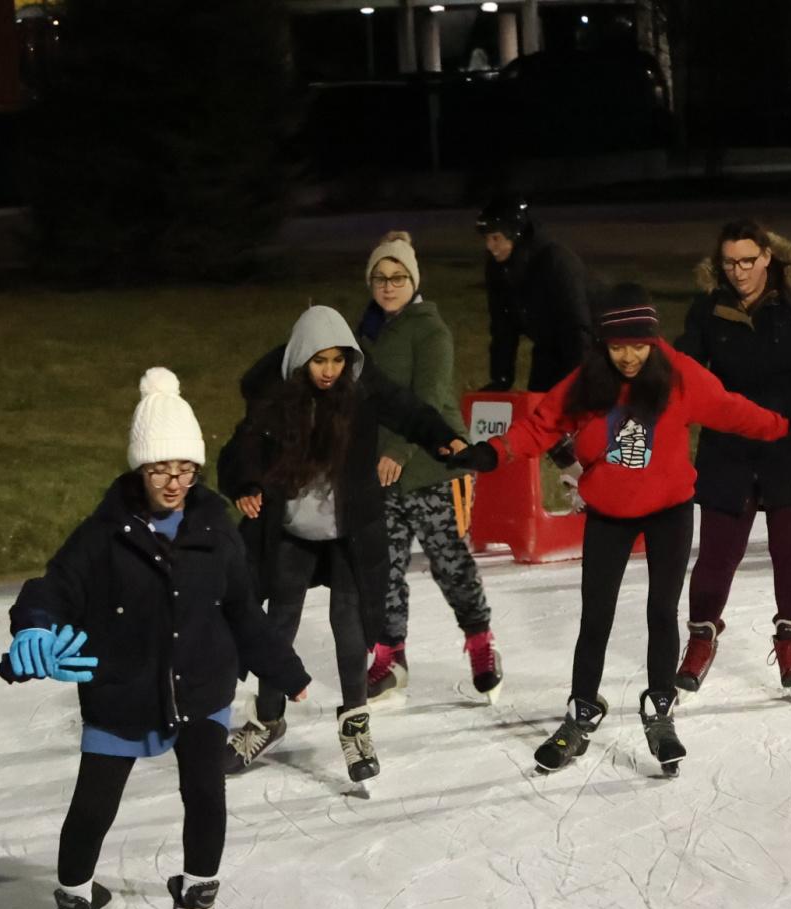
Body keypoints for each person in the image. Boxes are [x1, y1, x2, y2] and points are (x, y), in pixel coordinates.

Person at [3, 368, 311, 909]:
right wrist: (33, 627)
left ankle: (196, 905)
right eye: (159, 469)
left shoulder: (217, 531)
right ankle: (74, 907)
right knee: (91, 810)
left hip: (201, 686)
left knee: (206, 797)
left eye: (185, 469)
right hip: (122, 688)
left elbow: (243, 612)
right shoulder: (103, 535)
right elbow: (51, 588)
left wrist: (285, 669)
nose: (173, 482)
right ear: (139, 470)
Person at [448, 284, 791, 775]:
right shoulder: (588, 381)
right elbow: (541, 426)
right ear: (603, 345)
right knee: (596, 617)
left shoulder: (677, 375)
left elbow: (733, 411)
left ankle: (660, 712)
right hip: (608, 512)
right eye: (617, 346)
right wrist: (492, 453)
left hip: (668, 511)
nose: (628, 357)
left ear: (652, 341)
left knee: (660, 612)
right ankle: (582, 711)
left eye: (638, 346)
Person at [218, 306, 463, 783]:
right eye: (319, 361)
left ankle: (355, 726)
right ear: (300, 360)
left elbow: (410, 410)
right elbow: (242, 447)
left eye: (336, 360)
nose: (329, 371)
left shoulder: (363, 390)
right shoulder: (276, 398)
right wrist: (245, 484)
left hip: (349, 532)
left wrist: (444, 440)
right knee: (278, 625)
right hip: (293, 530)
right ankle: (267, 720)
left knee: (349, 630)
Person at [672, 220, 791, 699]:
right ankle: (701, 639)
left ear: (768, 257)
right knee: (714, 558)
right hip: (729, 448)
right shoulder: (709, 308)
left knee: (790, 552)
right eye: (730, 263)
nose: (739, 271)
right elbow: (686, 370)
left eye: (748, 261)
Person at [358, 230, 502, 704]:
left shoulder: (430, 329)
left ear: (413, 280)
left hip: (434, 468)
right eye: (379, 277)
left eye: (397, 276)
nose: (388, 285)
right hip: (384, 475)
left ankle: (481, 644)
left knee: (450, 562)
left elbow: (431, 398)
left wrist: (397, 452)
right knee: (386, 569)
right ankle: (389, 656)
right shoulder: (368, 333)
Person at [477, 194, 593, 394]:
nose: (490, 246)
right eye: (487, 239)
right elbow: (502, 327)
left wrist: (576, 385)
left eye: (496, 238)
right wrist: (501, 379)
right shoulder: (497, 268)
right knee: (538, 409)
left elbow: (577, 328)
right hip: (547, 345)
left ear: (516, 234)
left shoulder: (556, 261)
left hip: (592, 345)